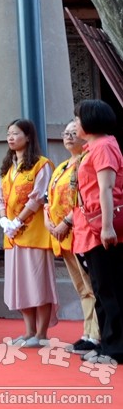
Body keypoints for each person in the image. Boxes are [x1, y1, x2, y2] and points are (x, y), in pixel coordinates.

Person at [0, 119, 56, 347]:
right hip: (13, 236)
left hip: (34, 233)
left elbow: (38, 198)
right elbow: (0, 197)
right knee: (20, 283)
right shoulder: (9, 168)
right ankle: (29, 331)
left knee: (39, 283)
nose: (11, 138)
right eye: (9, 133)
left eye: (16, 133)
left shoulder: (41, 165)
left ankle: (42, 333)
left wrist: (18, 220)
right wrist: (4, 219)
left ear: (28, 137)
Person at [72, 99, 123, 365]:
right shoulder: (94, 147)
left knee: (109, 289)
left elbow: (107, 188)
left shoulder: (103, 146)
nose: (75, 124)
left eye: (78, 119)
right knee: (102, 290)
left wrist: (106, 227)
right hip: (92, 227)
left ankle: (116, 348)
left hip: (101, 227)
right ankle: (108, 344)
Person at [44, 120, 100, 355]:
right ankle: (87, 332)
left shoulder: (86, 161)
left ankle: (96, 335)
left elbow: (83, 199)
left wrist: (66, 222)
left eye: (73, 132)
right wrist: (48, 221)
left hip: (79, 233)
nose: (68, 136)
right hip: (62, 236)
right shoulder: (62, 166)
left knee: (91, 286)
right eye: (65, 133)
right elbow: (48, 199)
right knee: (81, 288)